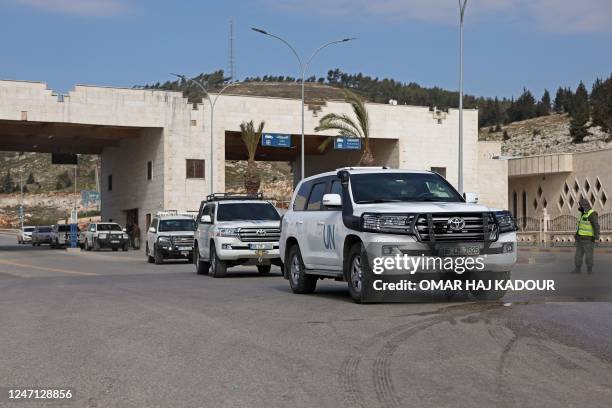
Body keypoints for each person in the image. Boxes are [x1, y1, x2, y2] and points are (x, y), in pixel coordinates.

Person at [573, 197, 600, 274]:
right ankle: (577, 269)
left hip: (589, 239)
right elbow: (580, 227)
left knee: (589, 255)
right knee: (578, 255)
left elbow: (596, 226)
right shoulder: (582, 214)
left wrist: (596, 237)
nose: (580, 207)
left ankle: (589, 270)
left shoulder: (592, 213)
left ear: (585, 205)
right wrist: (576, 236)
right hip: (580, 239)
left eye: (581, 205)